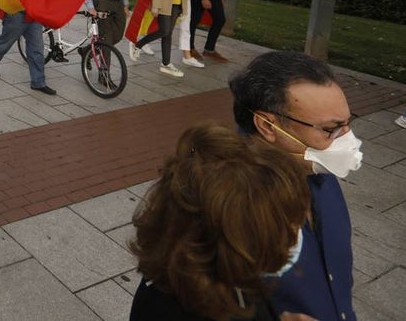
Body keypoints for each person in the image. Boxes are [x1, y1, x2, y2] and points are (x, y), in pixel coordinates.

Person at [129, 123, 312, 321]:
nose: (296, 235)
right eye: (285, 227)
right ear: (241, 239)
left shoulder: (180, 280)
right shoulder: (195, 307)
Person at [229, 51, 360, 321]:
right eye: (330, 129)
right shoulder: (221, 205)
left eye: (348, 123)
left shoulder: (316, 168)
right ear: (267, 125)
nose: (347, 140)